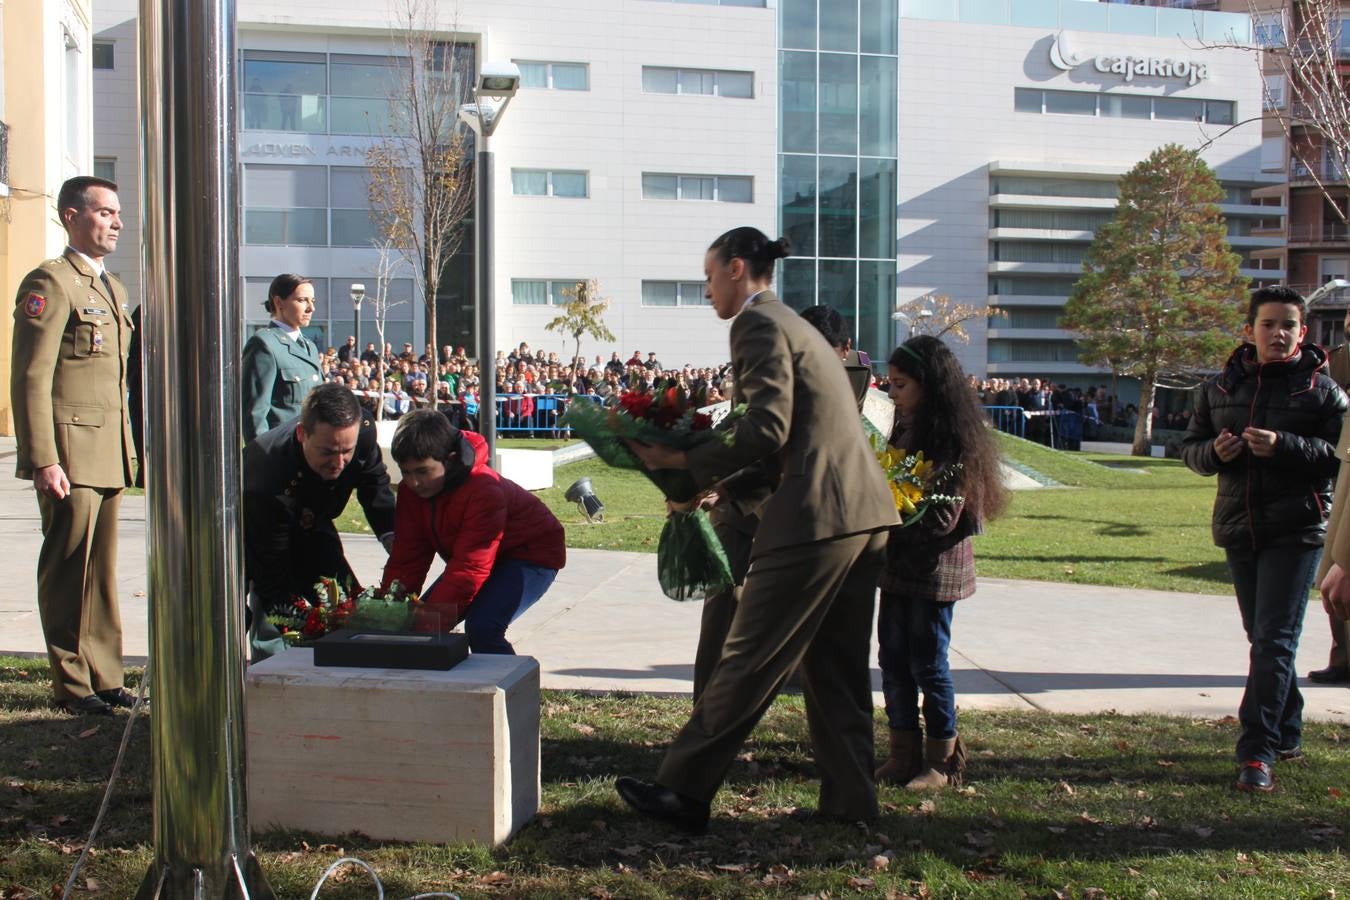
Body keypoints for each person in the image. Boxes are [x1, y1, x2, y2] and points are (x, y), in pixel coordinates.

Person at [617, 227, 899, 831]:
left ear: (737, 268)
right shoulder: (793, 325)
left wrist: (684, 462)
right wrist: (711, 478)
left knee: (746, 657)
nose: (707, 289)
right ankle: (851, 806)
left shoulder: (756, 324)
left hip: (817, 514)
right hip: (863, 513)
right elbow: (791, 430)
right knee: (836, 668)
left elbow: (767, 427)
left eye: (710, 275)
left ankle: (682, 792)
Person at [1181, 286, 1346, 792]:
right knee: (1264, 639)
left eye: (1290, 325)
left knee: (1273, 643)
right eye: (1269, 324)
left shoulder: (1324, 392)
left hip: (1297, 530)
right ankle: (1288, 730)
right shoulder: (1219, 388)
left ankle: (1257, 753)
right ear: (1249, 329)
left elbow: (1339, 458)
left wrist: (1285, 446)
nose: (1279, 334)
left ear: (1304, 331)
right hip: (1239, 526)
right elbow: (1187, 448)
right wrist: (1216, 453)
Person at [12, 176, 138, 715]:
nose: (116, 222)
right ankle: (71, 682)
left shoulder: (113, 287)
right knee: (68, 568)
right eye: (105, 212)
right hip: (69, 453)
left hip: (108, 449)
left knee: (102, 572)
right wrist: (43, 457)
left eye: (117, 213)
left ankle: (105, 675)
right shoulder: (52, 281)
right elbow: (30, 378)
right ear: (71, 216)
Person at [873, 336, 1008, 789]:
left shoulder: (953, 440)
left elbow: (944, 517)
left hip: (934, 571)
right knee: (891, 658)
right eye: (890, 384)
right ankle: (902, 751)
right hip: (896, 565)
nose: (894, 393)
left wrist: (889, 515)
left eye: (902, 384)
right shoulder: (902, 426)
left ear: (929, 385)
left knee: (928, 663)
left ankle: (942, 760)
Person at [382, 410, 566, 653]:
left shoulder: (483, 489)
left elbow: (470, 569)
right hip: (477, 560)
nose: (414, 482)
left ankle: (509, 690)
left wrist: (430, 623)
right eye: (406, 472)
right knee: (409, 624)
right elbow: (407, 558)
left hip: (530, 556)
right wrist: (388, 611)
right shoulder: (411, 492)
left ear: (449, 459)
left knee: (483, 627)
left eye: (423, 471)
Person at [242, 383, 397, 660]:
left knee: (346, 608)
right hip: (254, 529)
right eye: (327, 452)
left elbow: (375, 485)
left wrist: (392, 536)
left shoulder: (362, 430)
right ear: (302, 434)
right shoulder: (268, 473)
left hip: (313, 522)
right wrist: (309, 628)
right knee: (277, 616)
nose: (339, 462)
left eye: (346, 451)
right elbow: (272, 577)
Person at [1310, 304, 1350, 685]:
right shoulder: (1340, 358)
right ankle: (1342, 657)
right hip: (1343, 467)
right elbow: (1335, 384)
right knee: (1330, 576)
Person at [241, 273, 323, 442]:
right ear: (279, 302)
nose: (311, 308)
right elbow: (255, 413)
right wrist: (264, 458)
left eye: (312, 301)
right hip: (282, 451)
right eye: (302, 300)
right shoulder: (264, 344)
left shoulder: (310, 346)